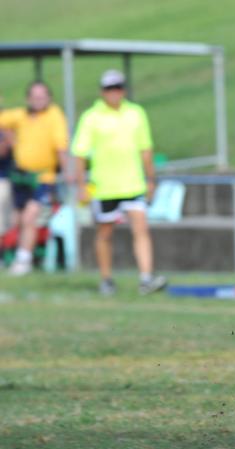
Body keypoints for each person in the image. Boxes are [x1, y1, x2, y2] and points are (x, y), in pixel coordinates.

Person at [72, 69, 167, 296]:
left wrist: (151, 180)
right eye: (109, 89)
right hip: (105, 186)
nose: (114, 93)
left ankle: (146, 278)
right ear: (102, 92)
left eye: (117, 88)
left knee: (141, 229)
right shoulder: (91, 117)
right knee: (105, 234)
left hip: (133, 184)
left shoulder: (136, 113)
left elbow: (146, 149)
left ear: (123, 90)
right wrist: (81, 186)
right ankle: (106, 279)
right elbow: (80, 154)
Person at [0, 82, 68, 275]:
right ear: (28, 99)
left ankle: (24, 261)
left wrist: (68, 175)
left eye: (42, 96)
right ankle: (15, 255)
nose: (38, 100)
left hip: (44, 177)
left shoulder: (54, 116)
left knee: (31, 216)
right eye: (35, 97)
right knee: (18, 220)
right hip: (21, 176)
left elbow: (61, 147)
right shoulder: (21, 115)